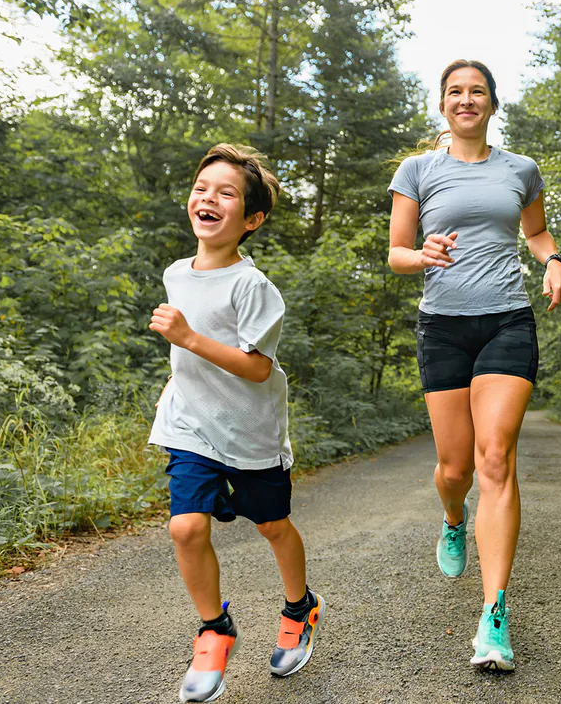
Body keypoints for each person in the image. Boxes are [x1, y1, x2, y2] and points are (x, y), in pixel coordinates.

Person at [387, 59, 561, 671]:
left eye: (477, 92)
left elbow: (537, 232)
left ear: (493, 104)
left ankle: (494, 614)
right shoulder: (417, 170)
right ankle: (451, 516)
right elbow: (396, 253)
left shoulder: (520, 169)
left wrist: (553, 261)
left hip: (507, 322)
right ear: (442, 105)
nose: (466, 100)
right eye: (455, 92)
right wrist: (423, 255)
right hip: (442, 327)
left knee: (496, 456)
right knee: (454, 468)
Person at [148, 144, 322, 702]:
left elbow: (255, 366)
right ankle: (213, 629)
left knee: (272, 526)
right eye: (203, 188)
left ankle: (301, 607)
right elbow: (188, 347)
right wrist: (179, 371)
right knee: (185, 527)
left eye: (227, 194)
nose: (209, 199)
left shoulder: (254, 287)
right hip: (190, 424)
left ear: (251, 220)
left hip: (251, 430)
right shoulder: (178, 272)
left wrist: (189, 340)